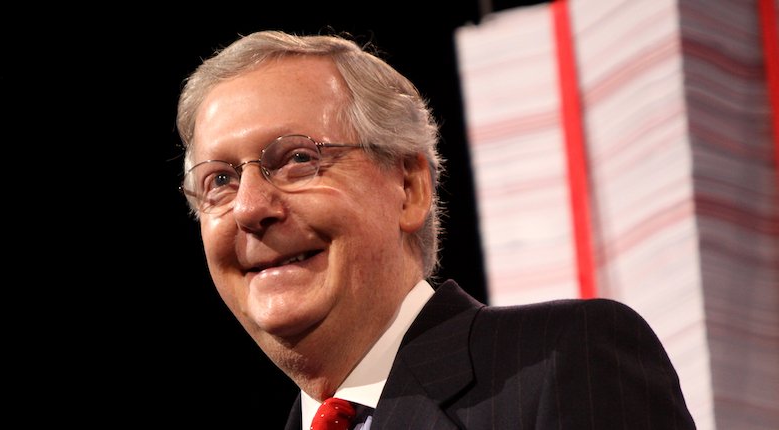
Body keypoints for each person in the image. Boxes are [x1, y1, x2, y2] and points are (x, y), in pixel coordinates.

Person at [175, 29, 696, 429]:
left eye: (297, 159)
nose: (250, 208)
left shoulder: (563, 360)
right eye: (219, 180)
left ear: (409, 188)